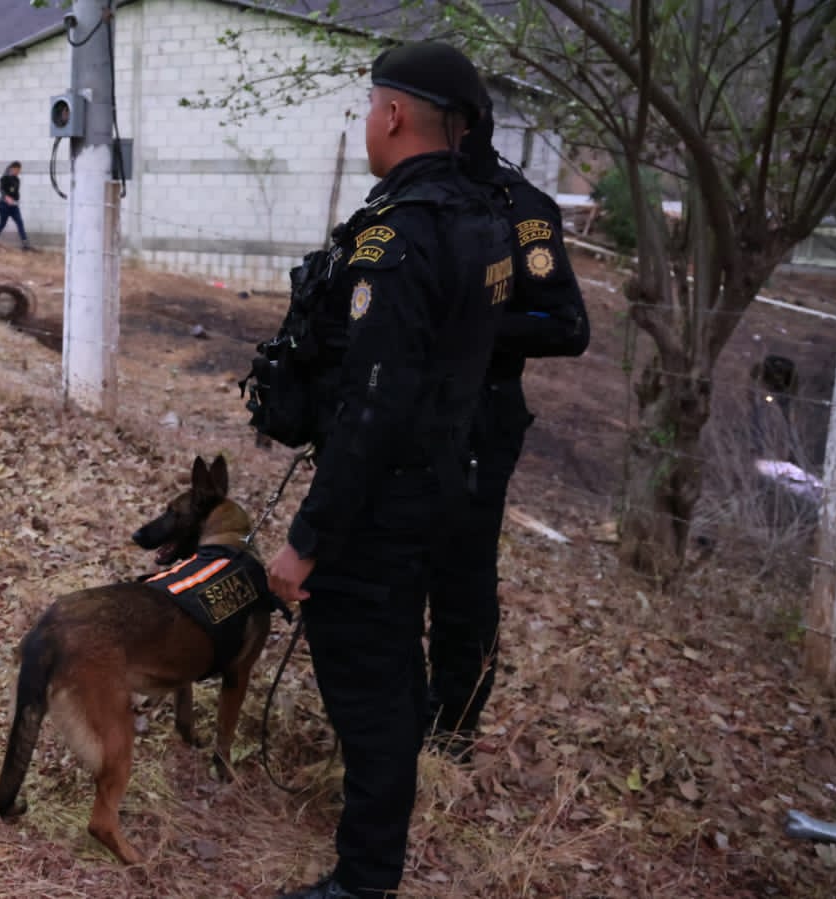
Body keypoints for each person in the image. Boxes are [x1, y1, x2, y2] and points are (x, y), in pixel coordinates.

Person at [262, 42, 514, 899]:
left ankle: (363, 882)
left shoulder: (400, 234)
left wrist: (307, 538)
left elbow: (373, 406)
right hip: (444, 480)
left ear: (395, 114)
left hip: (381, 500)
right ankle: (374, 860)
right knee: (399, 681)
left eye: (371, 106)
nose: (368, 121)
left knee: (368, 693)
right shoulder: (481, 215)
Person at [424, 101, 589, 760]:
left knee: (460, 580)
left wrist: (469, 330)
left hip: (479, 417)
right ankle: (399, 717)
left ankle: (452, 730)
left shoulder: (520, 209)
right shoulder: (418, 196)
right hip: (408, 415)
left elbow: (567, 326)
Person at [0, 161, 32, 250]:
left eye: (19, 170)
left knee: (20, 222)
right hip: (3, 205)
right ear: (12, 169)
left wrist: (16, 200)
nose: (18, 172)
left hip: (13, 206)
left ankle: (25, 243)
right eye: (17, 170)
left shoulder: (17, 180)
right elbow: (1, 190)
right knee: (2, 224)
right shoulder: (4, 178)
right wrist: (7, 197)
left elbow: (16, 193)